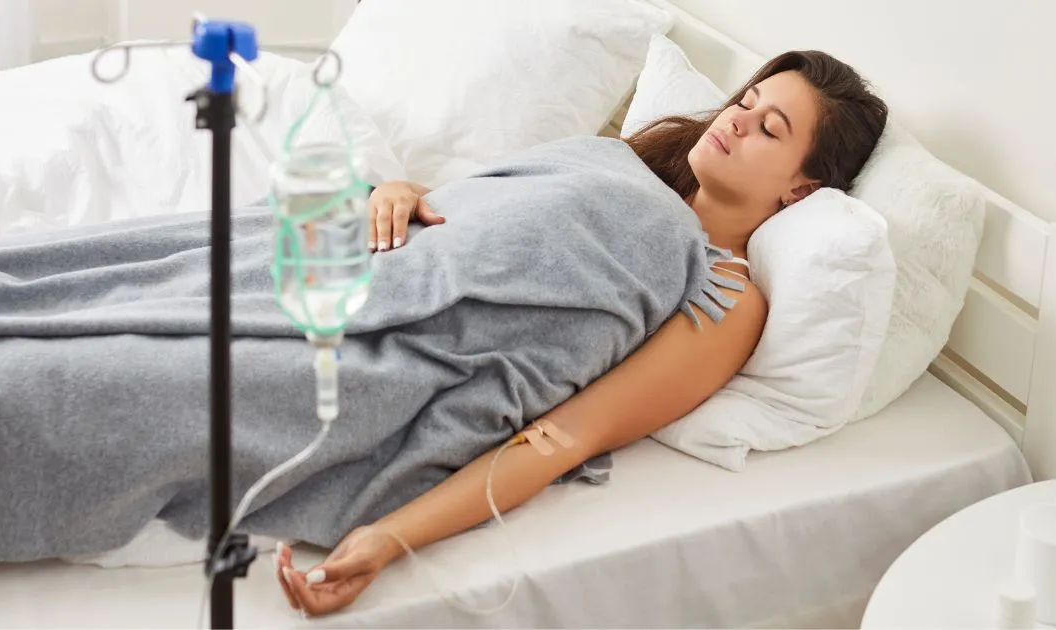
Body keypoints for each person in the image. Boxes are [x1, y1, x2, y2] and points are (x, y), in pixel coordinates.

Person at [274, 49, 888, 617]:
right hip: (367, 259)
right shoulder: (621, 165)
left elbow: (568, 435)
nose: (736, 120)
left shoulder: (728, 297)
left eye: (770, 129)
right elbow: (478, 215)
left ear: (801, 188)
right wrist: (399, 192)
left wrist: (388, 538)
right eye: (746, 103)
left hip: (400, 341)